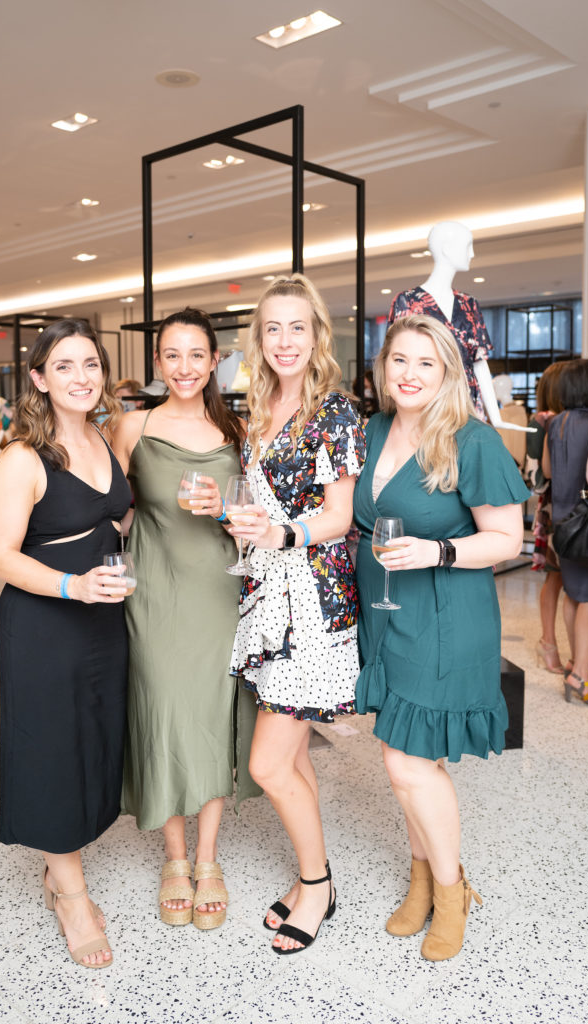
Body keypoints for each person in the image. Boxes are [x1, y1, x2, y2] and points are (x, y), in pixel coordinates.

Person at [353, 313, 528, 962]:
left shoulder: (471, 440)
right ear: (383, 366)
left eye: (426, 363)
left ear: (448, 371)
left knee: (406, 760)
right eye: (399, 360)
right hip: (386, 606)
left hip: (446, 610)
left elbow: (507, 540)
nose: (410, 374)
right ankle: (422, 878)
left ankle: (451, 890)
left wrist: (437, 552)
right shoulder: (373, 430)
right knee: (408, 754)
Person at [223, 274, 365, 955]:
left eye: (297, 328)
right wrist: (239, 523)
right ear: (259, 339)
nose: (285, 340)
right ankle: (320, 882)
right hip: (268, 598)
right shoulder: (258, 408)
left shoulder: (334, 411)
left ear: (317, 336)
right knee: (294, 755)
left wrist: (283, 535)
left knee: (269, 766)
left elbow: (339, 516)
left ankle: (315, 882)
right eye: (272, 328)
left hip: (312, 599)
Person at [0, 318, 132, 969]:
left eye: (91, 364)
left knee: (95, 737)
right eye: (64, 366)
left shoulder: (104, 436)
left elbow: (113, 514)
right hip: (46, 624)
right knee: (51, 749)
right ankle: (70, 896)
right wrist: (73, 587)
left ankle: (64, 869)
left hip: (103, 619)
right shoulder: (22, 457)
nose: (81, 377)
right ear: (39, 380)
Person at [112, 308, 260, 931]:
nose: (184, 368)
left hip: (216, 589)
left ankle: (207, 860)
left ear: (215, 359)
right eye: (172, 355)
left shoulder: (235, 429)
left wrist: (225, 509)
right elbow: (111, 511)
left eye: (196, 355)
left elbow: (250, 519)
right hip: (151, 588)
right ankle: (174, 857)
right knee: (162, 709)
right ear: (157, 363)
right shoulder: (132, 426)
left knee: (209, 714)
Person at [388, 221, 531, 434]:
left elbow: (479, 364)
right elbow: (396, 360)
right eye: (468, 246)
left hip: (468, 406)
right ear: (446, 249)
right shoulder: (408, 301)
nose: (472, 253)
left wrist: (495, 417)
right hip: (427, 407)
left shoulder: (469, 304)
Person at [543, 357, 588, 706]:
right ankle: (581, 675)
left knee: (574, 594)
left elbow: (549, 472)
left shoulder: (557, 424)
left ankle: (576, 663)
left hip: (562, 521)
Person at [527, 362, 566, 673]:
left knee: (569, 578)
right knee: (556, 576)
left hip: (565, 505)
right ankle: (548, 642)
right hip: (553, 506)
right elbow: (537, 476)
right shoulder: (540, 422)